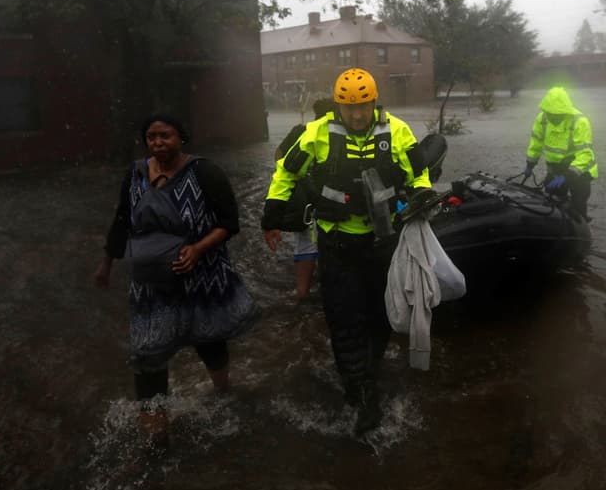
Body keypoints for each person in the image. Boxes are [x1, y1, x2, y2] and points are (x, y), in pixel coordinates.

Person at [261, 68, 432, 435]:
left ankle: (368, 373)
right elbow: (285, 172)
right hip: (337, 242)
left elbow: (419, 173)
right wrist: (272, 214)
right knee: (343, 317)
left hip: (382, 241)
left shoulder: (398, 131)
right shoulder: (316, 133)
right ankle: (359, 388)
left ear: (374, 102)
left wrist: (420, 195)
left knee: (379, 315)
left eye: (363, 107)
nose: (356, 115)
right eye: (349, 108)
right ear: (339, 105)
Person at [93, 113, 259, 450]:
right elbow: (121, 221)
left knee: (208, 338)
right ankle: (156, 435)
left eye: (165, 136)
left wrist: (196, 250)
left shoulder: (204, 173)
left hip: (201, 277)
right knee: (148, 353)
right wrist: (106, 264)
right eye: (151, 137)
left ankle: (223, 390)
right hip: (151, 285)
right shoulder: (136, 176)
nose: (158, 143)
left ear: (181, 137)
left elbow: (230, 222)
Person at [276, 98, 334, 302]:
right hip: (326, 201)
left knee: (305, 244)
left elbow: (279, 156)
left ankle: (302, 293)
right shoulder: (335, 135)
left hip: (303, 203)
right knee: (331, 242)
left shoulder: (301, 131)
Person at [523, 86, 597, 219]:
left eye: (558, 115)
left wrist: (567, 176)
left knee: (579, 202)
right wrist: (530, 163)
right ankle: (560, 224)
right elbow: (536, 142)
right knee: (552, 198)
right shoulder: (542, 119)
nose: (554, 118)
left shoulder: (579, 122)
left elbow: (585, 154)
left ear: (565, 111)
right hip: (555, 168)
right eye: (550, 114)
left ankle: (580, 227)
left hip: (579, 170)